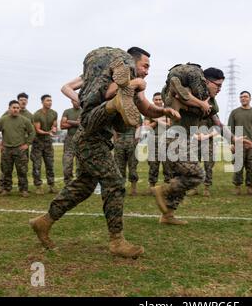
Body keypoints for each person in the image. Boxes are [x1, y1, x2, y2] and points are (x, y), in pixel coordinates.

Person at [29, 46, 180, 259]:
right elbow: (107, 92)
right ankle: (117, 241)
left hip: (97, 138)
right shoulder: (115, 76)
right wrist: (130, 86)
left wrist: (163, 111)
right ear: (132, 62)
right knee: (115, 182)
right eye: (145, 66)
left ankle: (43, 222)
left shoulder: (131, 84)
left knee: (83, 187)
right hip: (89, 136)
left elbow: (146, 107)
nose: (146, 71)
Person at [153, 65, 252, 224]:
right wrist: (200, 103)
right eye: (217, 85)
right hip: (174, 138)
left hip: (184, 140)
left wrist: (233, 139)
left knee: (182, 178)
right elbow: (174, 94)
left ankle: (168, 215)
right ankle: (163, 190)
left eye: (221, 86)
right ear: (206, 82)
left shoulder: (212, 101)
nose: (219, 89)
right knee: (197, 174)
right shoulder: (187, 90)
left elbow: (217, 122)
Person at [0, 100, 35, 197]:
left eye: (17, 108)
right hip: (6, 150)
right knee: (6, 171)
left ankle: (23, 190)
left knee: (22, 171)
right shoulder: (3, 120)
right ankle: (6, 189)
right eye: (14, 108)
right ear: (9, 108)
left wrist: (27, 144)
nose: (16, 110)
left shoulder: (25, 120)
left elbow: (32, 132)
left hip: (20, 149)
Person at [228, 91, 252, 195]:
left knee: (251, 166)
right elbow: (230, 129)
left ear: (250, 98)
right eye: (241, 97)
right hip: (238, 143)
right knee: (238, 166)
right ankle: (237, 186)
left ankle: (250, 186)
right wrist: (231, 143)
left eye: (246, 97)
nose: (243, 98)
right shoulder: (235, 112)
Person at [144, 92, 172, 194]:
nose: (158, 101)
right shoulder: (149, 111)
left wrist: (156, 120)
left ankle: (168, 187)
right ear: (153, 100)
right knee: (153, 164)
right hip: (153, 140)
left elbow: (168, 125)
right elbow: (147, 127)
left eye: (160, 99)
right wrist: (158, 120)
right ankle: (151, 187)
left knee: (167, 164)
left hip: (165, 140)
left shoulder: (167, 111)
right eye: (156, 99)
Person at [31, 95, 58, 195]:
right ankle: (38, 186)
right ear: (42, 102)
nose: (50, 102)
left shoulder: (54, 113)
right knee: (37, 165)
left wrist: (54, 129)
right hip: (37, 142)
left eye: (51, 100)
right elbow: (37, 130)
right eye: (47, 101)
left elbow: (54, 126)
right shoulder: (37, 114)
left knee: (50, 164)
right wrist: (48, 132)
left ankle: (51, 185)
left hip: (48, 143)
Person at [113, 115, 142, 196]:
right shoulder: (117, 112)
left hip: (131, 141)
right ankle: (121, 188)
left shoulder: (134, 112)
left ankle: (133, 189)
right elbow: (114, 128)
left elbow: (138, 127)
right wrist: (116, 141)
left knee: (132, 166)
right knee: (119, 167)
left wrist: (136, 140)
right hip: (120, 142)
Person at [61, 100, 82, 185]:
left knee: (80, 164)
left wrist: (69, 121)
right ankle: (68, 183)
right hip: (69, 140)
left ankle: (79, 183)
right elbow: (62, 125)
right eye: (75, 101)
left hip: (81, 139)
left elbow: (82, 124)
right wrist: (76, 123)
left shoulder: (84, 111)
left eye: (78, 101)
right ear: (72, 101)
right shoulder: (67, 111)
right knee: (67, 163)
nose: (77, 103)